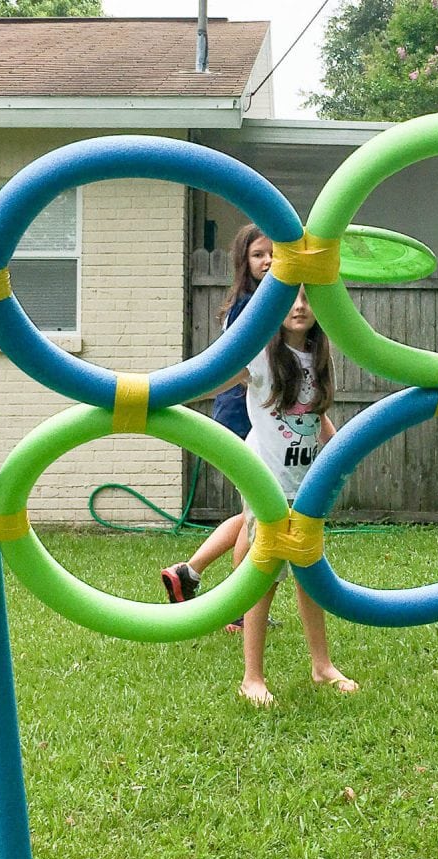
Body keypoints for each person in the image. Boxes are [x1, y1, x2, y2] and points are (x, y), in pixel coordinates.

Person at [196, 287, 359, 705]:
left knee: (309, 574)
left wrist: (339, 450)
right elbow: (213, 378)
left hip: (306, 485)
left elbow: (316, 415)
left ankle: (322, 666)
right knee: (264, 575)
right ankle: (252, 677)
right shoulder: (260, 356)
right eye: (290, 297)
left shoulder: (318, 358)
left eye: (308, 298)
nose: (300, 306)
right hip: (265, 484)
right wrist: (163, 395)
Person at [161, 224, 272, 629]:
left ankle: (187, 573)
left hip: (248, 414)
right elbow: (239, 366)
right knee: (260, 514)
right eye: (259, 254)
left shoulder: (264, 302)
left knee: (255, 512)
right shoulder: (250, 306)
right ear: (244, 261)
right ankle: (240, 610)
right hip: (243, 416)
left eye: (274, 253)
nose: (268, 261)